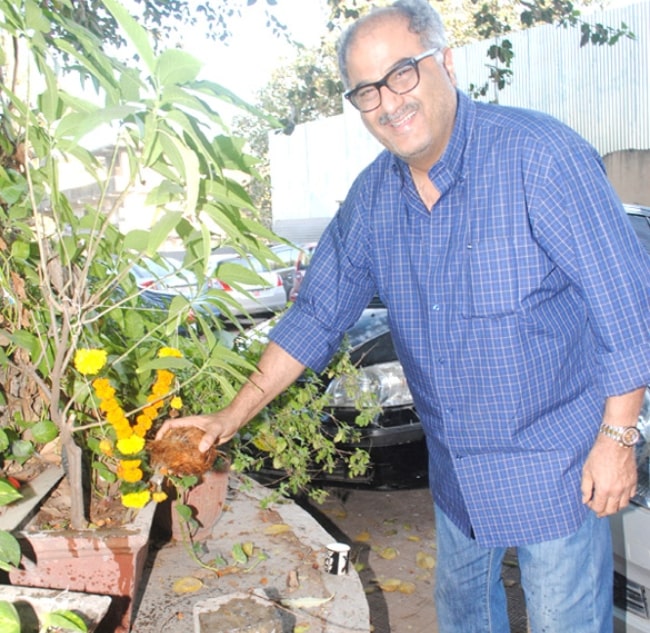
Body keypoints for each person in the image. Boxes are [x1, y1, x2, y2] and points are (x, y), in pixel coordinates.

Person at [157, 0, 650, 630]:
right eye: (366, 91)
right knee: (465, 620)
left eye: (402, 73)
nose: (389, 102)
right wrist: (230, 416)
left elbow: (625, 305)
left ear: (444, 60)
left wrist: (616, 439)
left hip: (557, 468)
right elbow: (316, 314)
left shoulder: (540, 157)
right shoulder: (372, 198)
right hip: (457, 473)